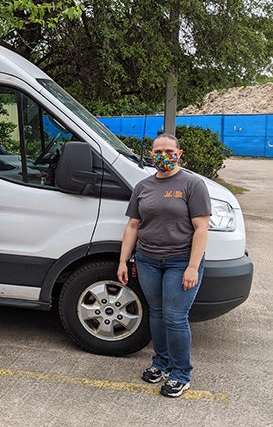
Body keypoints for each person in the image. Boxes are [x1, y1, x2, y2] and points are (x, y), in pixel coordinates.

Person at [117, 133, 211, 397]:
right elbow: (133, 225)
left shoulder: (193, 184)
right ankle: (161, 362)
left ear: (179, 154)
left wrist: (192, 267)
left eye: (169, 150)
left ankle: (181, 373)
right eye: (158, 151)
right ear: (151, 154)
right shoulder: (143, 187)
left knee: (175, 317)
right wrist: (124, 260)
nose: (163, 155)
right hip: (147, 259)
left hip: (180, 261)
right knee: (156, 313)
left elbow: (201, 227)